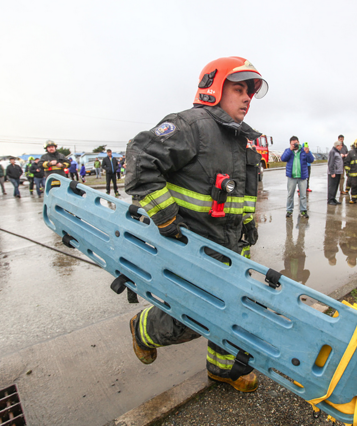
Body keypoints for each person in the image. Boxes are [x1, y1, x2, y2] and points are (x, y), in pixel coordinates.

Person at [125, 56, 267, 393]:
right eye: (239, 89)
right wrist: (166, 217)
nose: (247, 98)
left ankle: (223, 370)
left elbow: (240, 196)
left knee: (235, 309)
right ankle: (144, 327)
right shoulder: (191, 126)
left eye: (250, 92)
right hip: (191, 249)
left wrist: (248, 228)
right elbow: (140, 161)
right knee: (195, 317)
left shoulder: (242, 139)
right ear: (213, 88)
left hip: (231, 248)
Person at [281, 136, 314, 218]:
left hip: (302, 177)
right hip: (291, 177)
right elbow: (283, 158)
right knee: (290, 195)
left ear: (299, 142)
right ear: (290, 144)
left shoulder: (304, 150)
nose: (295, 145)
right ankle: (289, 210)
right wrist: (290, 150)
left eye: (296, 143)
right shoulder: (288, 150)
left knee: (303, 195)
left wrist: (308, 152)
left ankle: (303, 211)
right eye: (293, 144)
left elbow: (311, 160)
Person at [327, 140, 344, 205]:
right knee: (332, 186)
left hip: (338, 172)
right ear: (337, 146)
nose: (341, 147)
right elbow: (331, 163)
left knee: (336, 186)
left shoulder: (337, 152)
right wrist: (332, 172)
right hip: (334, 172)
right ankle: (330, 199)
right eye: (341, 146)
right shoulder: (332, 152)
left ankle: (333, 198)